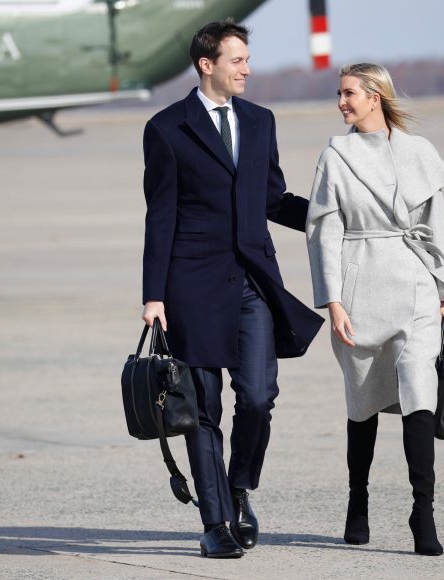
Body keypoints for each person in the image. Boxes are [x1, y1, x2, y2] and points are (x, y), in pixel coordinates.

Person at [140, 20, 323, 559]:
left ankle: (239, 486)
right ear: (207, 64)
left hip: (252, 283)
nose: (247, 68)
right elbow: (161, 215)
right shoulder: (167, 128)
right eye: (237, 59)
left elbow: (271, 198)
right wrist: (154, 295)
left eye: (247, 58)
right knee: (202, 410)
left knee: (259, 396)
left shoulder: (261, 121)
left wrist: (329, 217)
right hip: (191, 285)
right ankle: (215, 523)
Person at [306, 63, 444, 555]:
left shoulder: (418, 152)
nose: (341, 102)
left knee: (419, 395)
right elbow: (323, 232)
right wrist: (333, 300)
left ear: (375, 96)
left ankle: (422, 511)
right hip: (360, 286)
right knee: (362, 404)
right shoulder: (335, 157)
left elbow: (437, 224)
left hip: (415, 287)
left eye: (348, 93)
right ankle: (357, 500)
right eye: (339, 94)